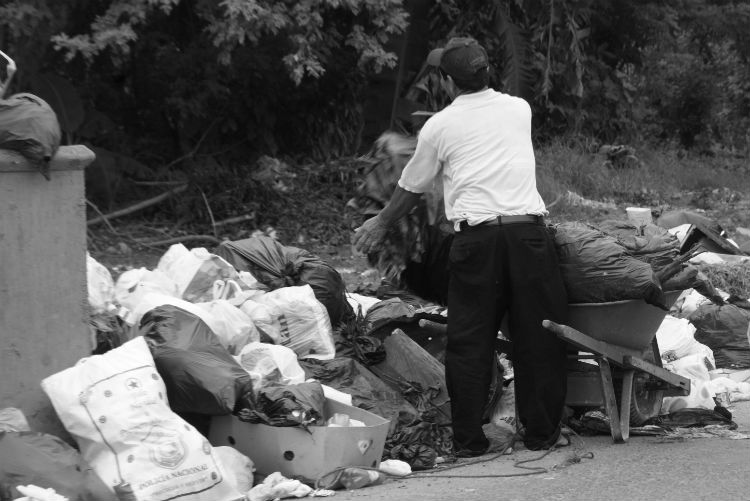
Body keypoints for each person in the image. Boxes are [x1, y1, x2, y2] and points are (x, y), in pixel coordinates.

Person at [352, 36, 570, 453]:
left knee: (471, 342)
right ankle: (542, 434)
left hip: (477, 242)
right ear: (488, 71)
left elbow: (411, 188)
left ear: (449, 83)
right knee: (537, 338)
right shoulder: (518, 110)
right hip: (528, 237)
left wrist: (380, 222)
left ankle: (469, 441)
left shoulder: (439, 127)